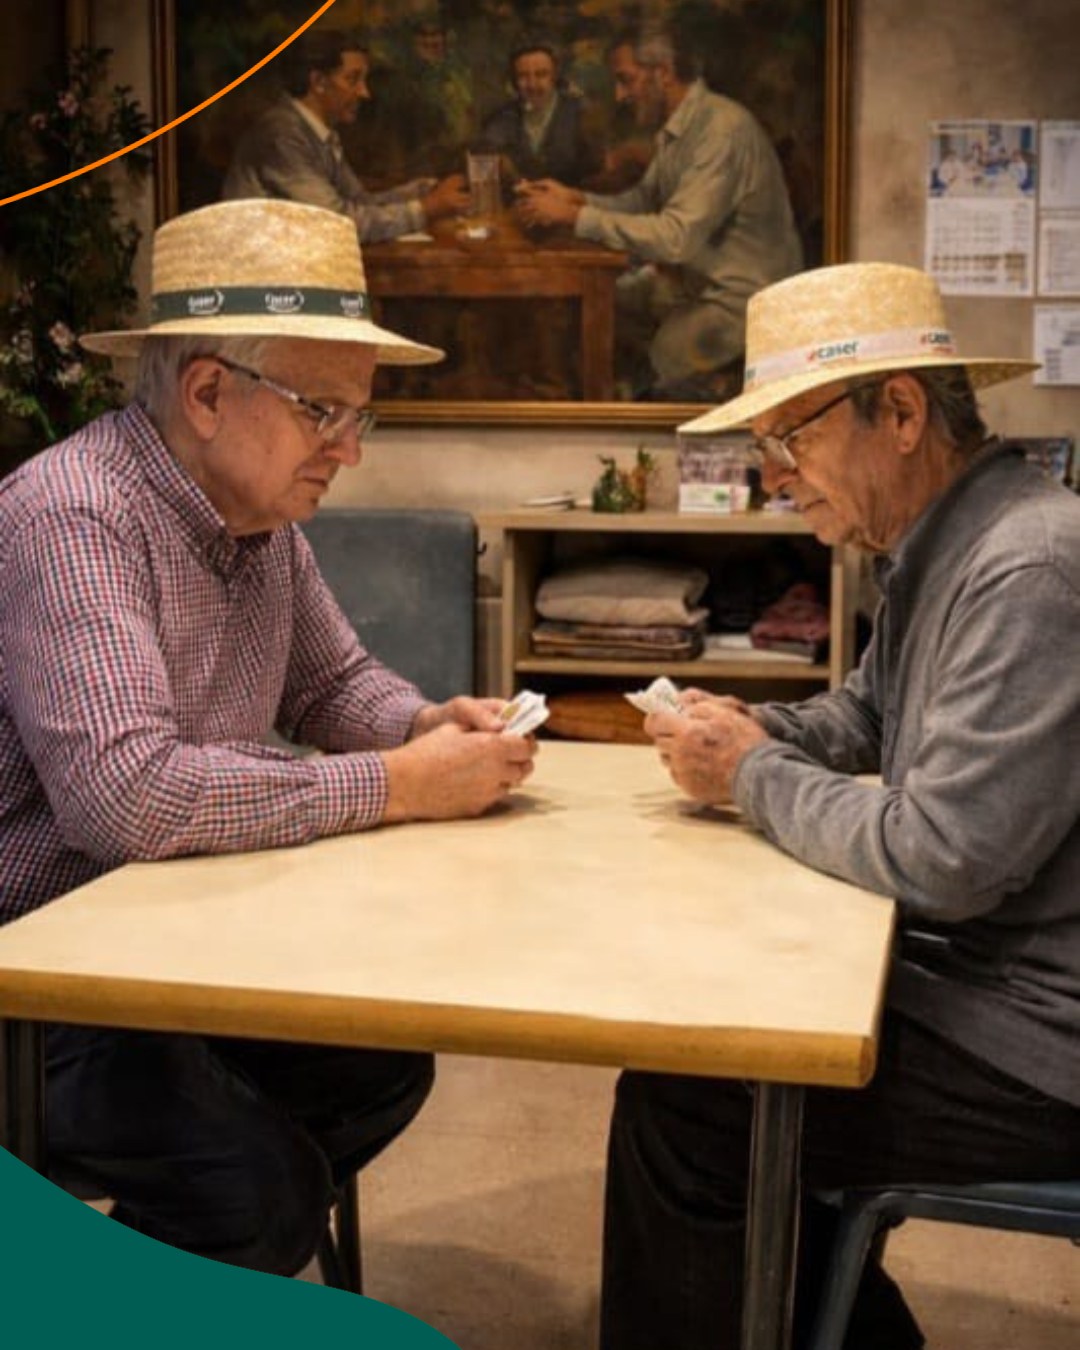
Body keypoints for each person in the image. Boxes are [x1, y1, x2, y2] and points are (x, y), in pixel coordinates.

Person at [0, 196, 538, 1276]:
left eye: (359, 417)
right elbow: (127, 797)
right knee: (256, 1191)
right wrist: (397, 783)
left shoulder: (262, 522)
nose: (350, 451)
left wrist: (426, 722)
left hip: (166, 944)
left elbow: (334, 683)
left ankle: (168, 1270)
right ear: (207, 393)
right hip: (37, 972)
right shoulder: (74, 515)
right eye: (322, 412)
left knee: (383, 1066)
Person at [602, 261, 1080, 1349]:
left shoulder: (1029, 568)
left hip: (1044, 1038)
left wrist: (749, 776)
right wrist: (758, 730)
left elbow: (941, 856)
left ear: (901, 414)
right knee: (725, 1036)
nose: (776, 476)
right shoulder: (950, 537)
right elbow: (870, 713)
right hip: (985, 976)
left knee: (692, 1109)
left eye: (791, 439)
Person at [514, 23, 802, 401]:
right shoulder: (681, 128)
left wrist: (573, 217)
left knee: (660, 354)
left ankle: (619, 404)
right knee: (595, 305)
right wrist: (575, 199)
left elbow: (675, 238)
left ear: (662, 73)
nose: (619, 95)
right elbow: (641, 202)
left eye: (626, 80)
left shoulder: (720, 130)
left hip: (746, 303)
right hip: (696, 284)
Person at [223, 28, 470, 242]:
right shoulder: (281, 136)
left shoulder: (317, 132)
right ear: (318, 82)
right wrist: (427, 208)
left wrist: (417, 192)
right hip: (265, 274)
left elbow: (359, 203)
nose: (365, 93)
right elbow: (337, 222)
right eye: (353, 79)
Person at [480, 38, 602, 188]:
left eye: (541, 74)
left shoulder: (580, 112)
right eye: (523, 76)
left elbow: (596, 173)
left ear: (554, 76)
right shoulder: (502, 118)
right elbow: (485, 154)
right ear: (514, 81)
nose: (532, 84)